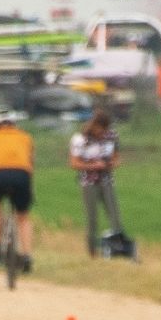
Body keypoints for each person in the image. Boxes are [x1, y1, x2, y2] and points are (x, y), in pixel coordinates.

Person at [0, 108, 36, 268]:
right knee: (23, 216)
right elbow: (31, 163)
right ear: (14, 123)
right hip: (22, 175)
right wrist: (30, 187)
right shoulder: (26, 137)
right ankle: (27, 256)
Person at [69, 109, 125, 257]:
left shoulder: (112, 137)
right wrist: (93, 166)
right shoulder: (80, 139)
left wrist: (111, 163)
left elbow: (117, 158)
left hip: (107, 180)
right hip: (88, 182)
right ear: (94, 126)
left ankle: (117, 246)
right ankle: (92, 249)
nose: (102, 133)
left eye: (105, 130)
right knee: (92, 217)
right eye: (101, 130)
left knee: (114, 214)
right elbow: (74, 163)